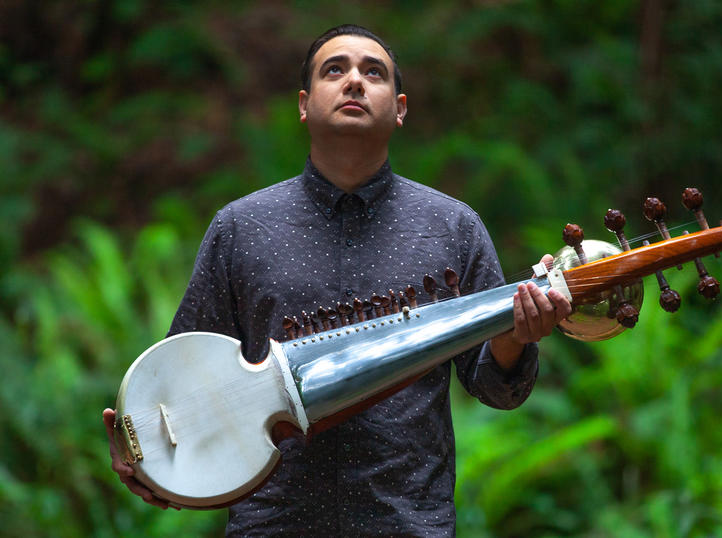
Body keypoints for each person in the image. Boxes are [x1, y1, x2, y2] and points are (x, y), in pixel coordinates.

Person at [103, 24, 571, 536]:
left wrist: (514, 337)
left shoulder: (453, 227)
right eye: (335, 70)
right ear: (304, 104)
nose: (354, 81)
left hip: (409, 522)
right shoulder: (242, 227)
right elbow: (182, 376)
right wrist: (145, 453)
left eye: (374, 72)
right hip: (271, 526)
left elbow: (496, 389)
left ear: (400, 108)